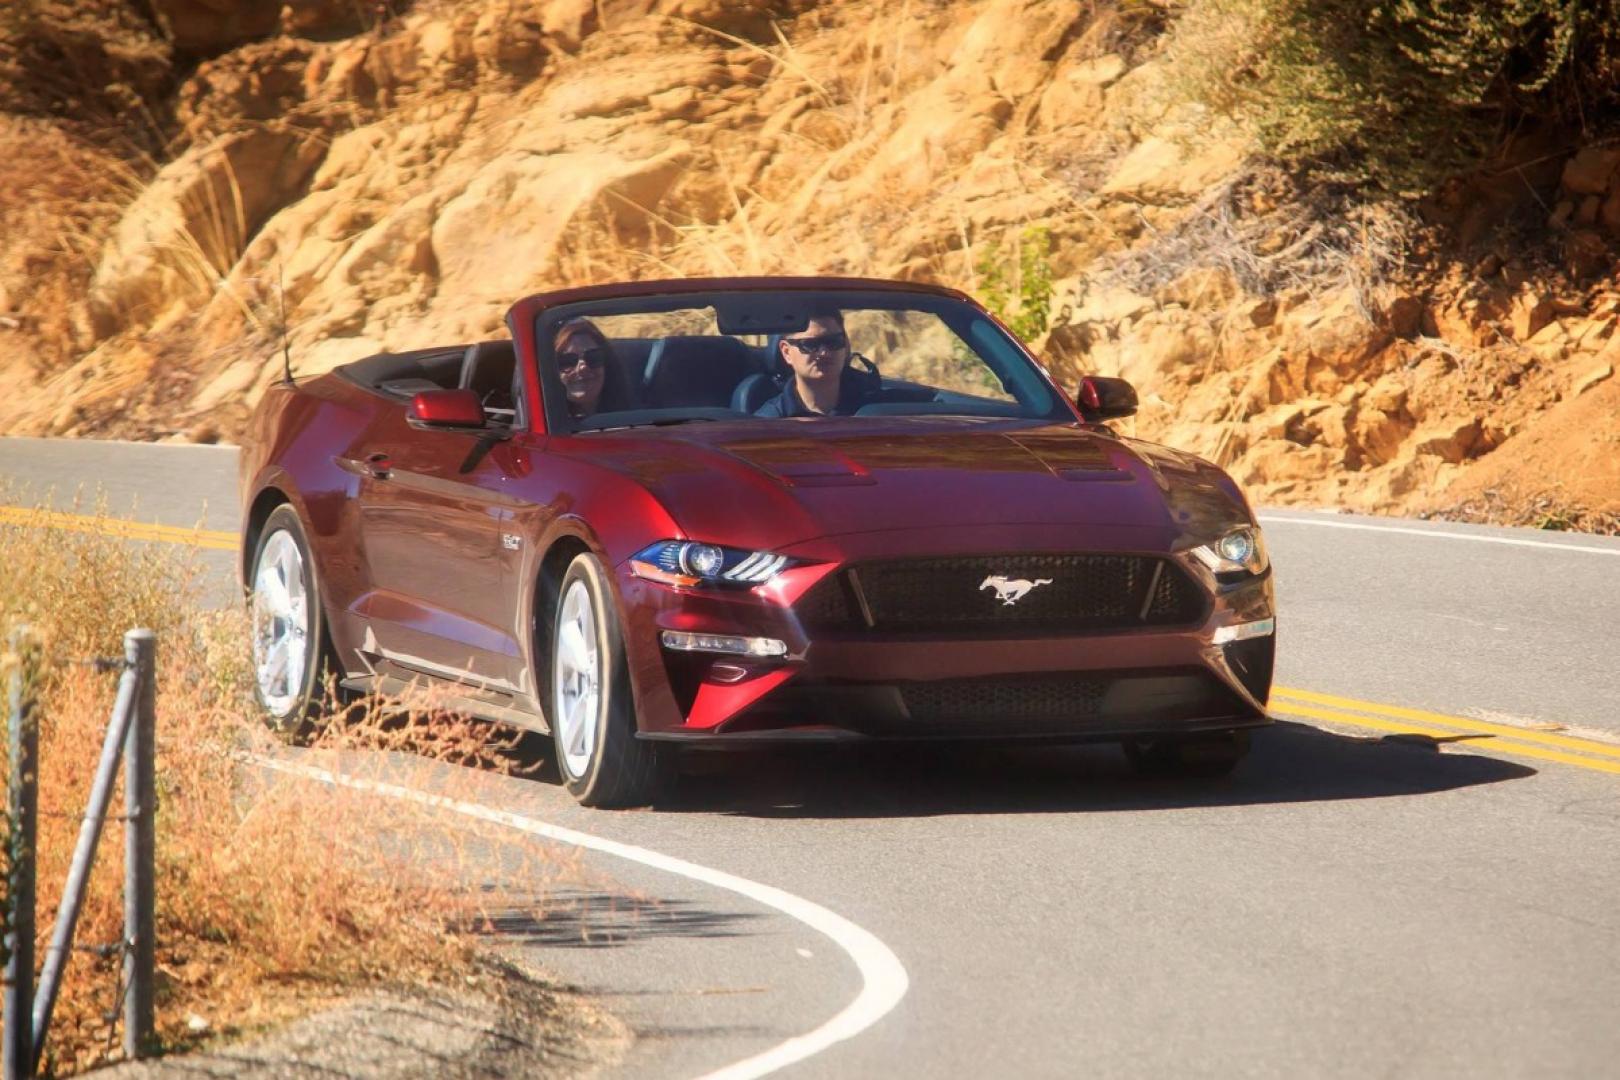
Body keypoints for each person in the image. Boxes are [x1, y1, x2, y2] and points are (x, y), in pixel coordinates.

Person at [753, 307, 879, 417]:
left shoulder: (878, 408)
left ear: (845, 344)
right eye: (810, 345)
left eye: (833, 342)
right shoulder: (769, 424)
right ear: (786, 352)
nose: (824, 353)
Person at [554, 318, 633, 420]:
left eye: (593, 357)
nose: (582, 367)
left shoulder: (634, 420)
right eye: (568, 361)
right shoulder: (543, 426)